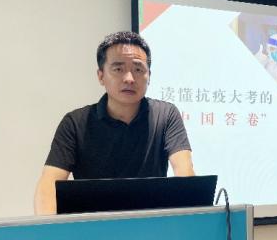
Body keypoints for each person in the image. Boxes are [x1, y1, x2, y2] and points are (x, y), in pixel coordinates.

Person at [34, 31, 194, 215]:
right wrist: (47, 227)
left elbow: (185, 171)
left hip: (150, 223)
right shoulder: (75, 123)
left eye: (138, 69)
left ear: (149, 76)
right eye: (118, 69)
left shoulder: (166, 115)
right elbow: (49, 183)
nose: (129, 78)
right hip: (92, 224)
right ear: (101, 76)